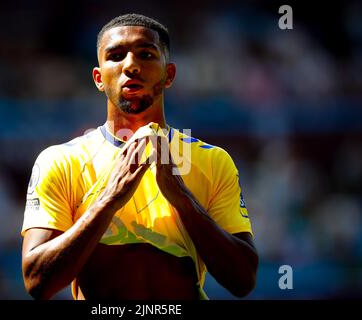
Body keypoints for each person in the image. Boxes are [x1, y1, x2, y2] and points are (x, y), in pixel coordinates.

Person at [21, 13, 258, 300]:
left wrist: (182, 198)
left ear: (169, 75)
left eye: (146, 54)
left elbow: (243, 280)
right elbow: (36, 282)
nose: (131, 65)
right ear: (98, 78)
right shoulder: (60, 161)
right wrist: (108, 201)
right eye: (116, 55)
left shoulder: (212, 160)